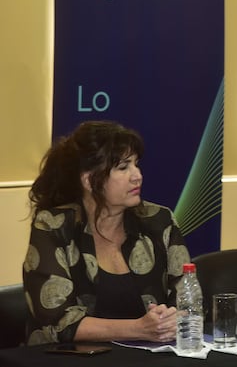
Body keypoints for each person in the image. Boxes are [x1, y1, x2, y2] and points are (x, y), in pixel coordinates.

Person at [23, 121, 190, 345]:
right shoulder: (54, 226)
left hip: (147, 356)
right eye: (123, 167)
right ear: (89, 180)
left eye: (136, 164)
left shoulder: (159, 220)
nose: (137, 175)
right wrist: (140, 329)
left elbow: (188, 297)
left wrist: (171, 320)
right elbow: (58, 321)